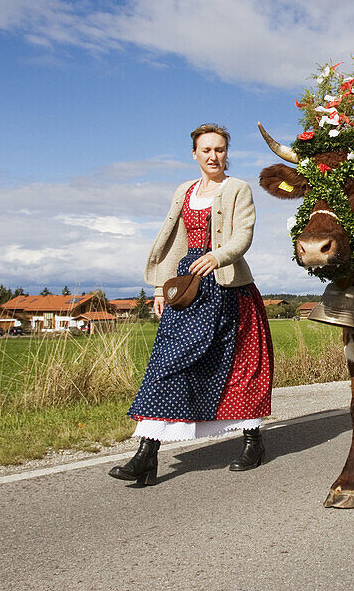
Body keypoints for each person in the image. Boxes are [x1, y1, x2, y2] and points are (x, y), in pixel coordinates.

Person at [110, 124, 274, 485]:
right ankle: (146, 454)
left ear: (227, 153)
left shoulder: (237, 189)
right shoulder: (184, 191)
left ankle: (253, 442)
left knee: (238, 368)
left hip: (229, 289)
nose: (213, 156)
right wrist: (159, 289)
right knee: (167, 364)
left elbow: (243, 235)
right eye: (206, 150)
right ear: (195, 154)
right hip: (187, 289)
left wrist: (218, 256)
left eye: (219, 149)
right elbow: (175, 242)